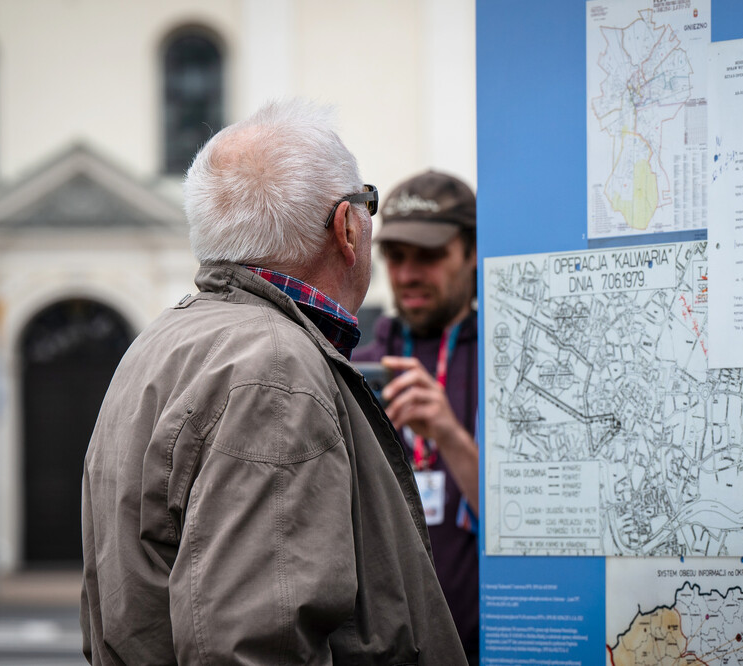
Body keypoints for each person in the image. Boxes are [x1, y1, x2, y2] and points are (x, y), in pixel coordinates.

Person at [79, 100, 467, 665]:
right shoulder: (276, 371)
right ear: (346, 227)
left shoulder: (162, 340)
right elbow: (257, 644)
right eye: (368, 204)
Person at [352, 170, 480, 664]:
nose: (407, 274)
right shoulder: (353, 359)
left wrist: (449, 435)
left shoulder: (509, 360)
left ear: (471, 253)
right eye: (396, 257)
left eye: (429, 256)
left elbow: (525, 525)